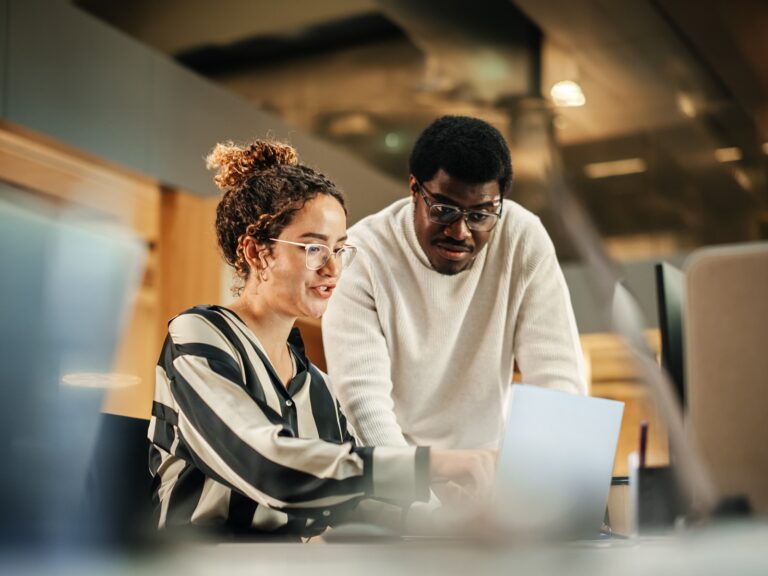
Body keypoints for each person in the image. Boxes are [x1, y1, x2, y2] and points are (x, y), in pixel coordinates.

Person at [147, 139, 492, 539]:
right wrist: (428, 464)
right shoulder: (199, 336)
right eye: (313, 248)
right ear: (257, 254)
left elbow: (350, 501)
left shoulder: (317, 386)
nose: (333, 268)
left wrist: (446, 521)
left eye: (340, 249)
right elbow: (267, 468)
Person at [322, 116, 587, 451]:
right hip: (397, 469)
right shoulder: (363, 255)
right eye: (444, 210)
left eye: (479, 216)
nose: (459, 232)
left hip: (487, 465)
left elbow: (558, 380)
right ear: (414, 189)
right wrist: (421, 497)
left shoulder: (522, 238)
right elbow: (363, 404)